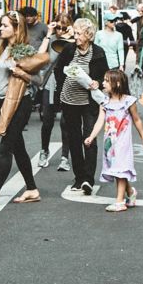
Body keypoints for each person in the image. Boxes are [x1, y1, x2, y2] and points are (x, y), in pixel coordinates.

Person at [0, 11, 44, 207]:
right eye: (1, 25)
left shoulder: (24, 50)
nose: (0, 28)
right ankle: (32, 189)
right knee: (18, 147)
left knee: (6, 146)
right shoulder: (0, 46)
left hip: (19, 103)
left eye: (5, 25)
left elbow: (38, 80)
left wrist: (21, 72)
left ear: (16, 29)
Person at [55, 18, 109, 194]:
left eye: (78, 34)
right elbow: (58, 69)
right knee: (74, 139)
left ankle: (88, 179)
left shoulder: (98, 52)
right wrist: (63, 83)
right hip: (70, 100)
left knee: (89, 138)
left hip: (88, 102)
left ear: (88, 35)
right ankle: (78, 178)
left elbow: (104, 75)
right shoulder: (69, 49)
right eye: (75, 33)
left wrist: (97, 82)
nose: (75, 37)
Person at [84, 69, 143, 212]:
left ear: (117, 83)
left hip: (123, 143)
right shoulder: (105, 102)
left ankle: (120, 202)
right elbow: (99, 121)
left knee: (120, 169)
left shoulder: (129, 101)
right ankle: (130, 192)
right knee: (117, 170)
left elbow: (137, 120)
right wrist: (92, 136)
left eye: (106, 81)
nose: (103, 83)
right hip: (110, 143)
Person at [37, 13, 73, 171]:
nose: (60, 30)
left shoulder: (73, 41)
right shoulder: (50, 39)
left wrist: (72, 37)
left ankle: (65, 156)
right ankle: (44, 151)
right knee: (47, 121)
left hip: (67, 84)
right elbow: (39, 55)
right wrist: (49, 33)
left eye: (64, 27)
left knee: (66, 122)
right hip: (50, 83)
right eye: (57, 26)